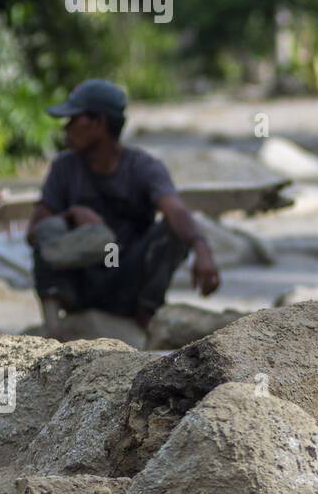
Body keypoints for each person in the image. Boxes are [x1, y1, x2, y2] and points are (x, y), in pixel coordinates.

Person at [25, 79, 220, 329]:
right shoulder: (65, 168)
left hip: (126, 279)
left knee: (173, 231)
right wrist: (71, 216)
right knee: (48, 231)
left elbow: (176, 210)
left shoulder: (142, 167)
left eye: (74, 119)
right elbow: (34, 230)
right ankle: (54, 326)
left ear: (98, 124)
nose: (67, 127)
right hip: (81, 282)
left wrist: (201, 247)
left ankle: (145, 314)